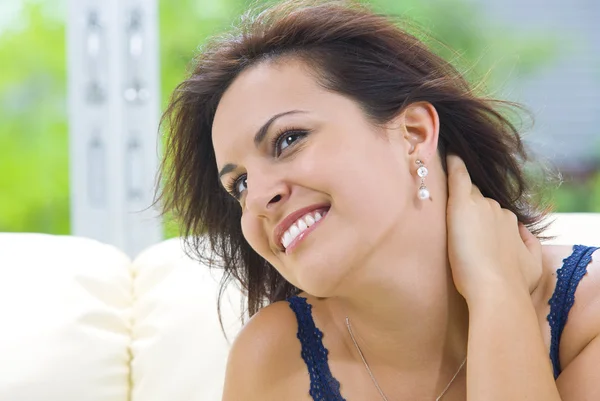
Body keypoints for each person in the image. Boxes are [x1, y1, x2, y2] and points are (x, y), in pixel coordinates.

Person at [156, 0, 600, 399]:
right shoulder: (275, 357)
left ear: (413, 134)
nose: (258, 200)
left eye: (289, 139)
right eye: (240, 185)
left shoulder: (589, 315)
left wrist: (496, 295)